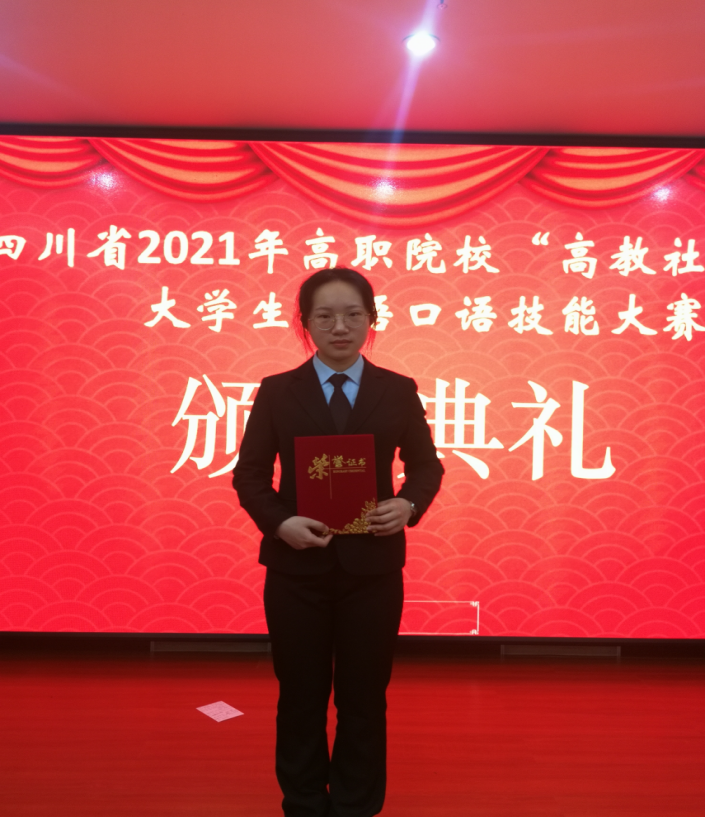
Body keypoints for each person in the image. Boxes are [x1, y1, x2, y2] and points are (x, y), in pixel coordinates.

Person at [233, 267, 443, 817]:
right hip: (296, 570)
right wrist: (281, 523)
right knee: (300, 696)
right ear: (304, 324)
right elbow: (250, 476)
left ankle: (355, 805)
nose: (340, 327)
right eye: (324, 316)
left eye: (353, 315)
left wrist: (408, 504)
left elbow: (426, 466)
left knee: (364, 698)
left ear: (372, 320)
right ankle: (303, 802)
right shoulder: (278, 391)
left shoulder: (396, 390)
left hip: (372, 570)